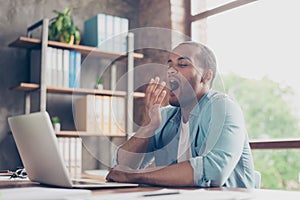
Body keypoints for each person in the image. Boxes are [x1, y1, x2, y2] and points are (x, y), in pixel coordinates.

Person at [106, 41, 255, 188]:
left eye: (182, 64)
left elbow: (213, 171)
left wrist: (135, 176)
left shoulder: (223, 107)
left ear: (205, 76)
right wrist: (148, 127)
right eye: (170, 64)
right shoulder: (164, 117)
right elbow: (120, 168)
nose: (171, 70)